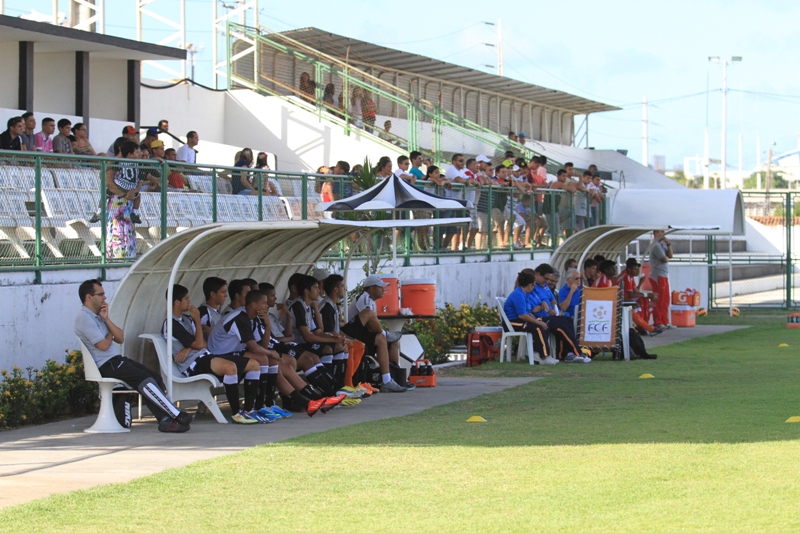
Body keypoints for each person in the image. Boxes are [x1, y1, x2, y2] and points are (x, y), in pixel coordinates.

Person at [74, 279, 192, 432]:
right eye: (101, 294)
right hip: (106, 365)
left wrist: (107, 319)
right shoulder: (84, 318)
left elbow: (121, 337)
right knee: (145, 379)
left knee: (154, 377)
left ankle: (165, 420)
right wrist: (110, 335)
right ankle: (176, 414)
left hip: (115, 361)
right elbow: (103, 345)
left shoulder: (99, 316)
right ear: (88, 297)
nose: (104, 298)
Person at [163, 284, 261, 423]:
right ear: (177, 302)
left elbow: (202, 344)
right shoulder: (171, 323)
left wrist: (189, 348)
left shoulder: (185, 319)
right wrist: (197, 321)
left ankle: (249, 410)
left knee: (254, 364)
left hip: (204, 355)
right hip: (192, 364)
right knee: (230, 367)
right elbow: (198, 344)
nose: (189, 302)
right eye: (186, 299)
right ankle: (236, 413)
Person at [207, 290, 282, 423]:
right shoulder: (240, 317)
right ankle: (251, 408)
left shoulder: (252, 317)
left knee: (263, 359)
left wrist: (268, 326)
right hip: (219, 354)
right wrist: (272, 353)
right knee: (261, 360)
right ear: (253, 305)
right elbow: (253, 347)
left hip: (233, 351)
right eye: (263, 303)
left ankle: (260, 406)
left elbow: (262, 347)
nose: (266, 306)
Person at [342, 275, 407, 392]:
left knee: (394, 342)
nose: (383, 289)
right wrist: (382, 333)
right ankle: (387, 381)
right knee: (380, 336)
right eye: (380, 287)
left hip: (362, 333)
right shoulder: (364, 298)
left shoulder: (371, 300)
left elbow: (371, 327)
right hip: (352, 333)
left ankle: (393, 376)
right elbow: (369, 322)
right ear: (371, 289)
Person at [531, 264, 588, 363]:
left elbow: (553, 301)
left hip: (549, 315)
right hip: (540, 317)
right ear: (538, 275)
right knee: (561, 326)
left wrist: (556, 310)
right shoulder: (532, 288)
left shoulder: (544, 287)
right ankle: (578, 353)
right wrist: (546, 308)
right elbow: (533, 308)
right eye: (546, 278)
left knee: (567, 321)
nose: (547, 281)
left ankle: (565, 354)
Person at [503, 270, 555, 364]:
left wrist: (537, 319)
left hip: (519, 320)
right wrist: (538, 322)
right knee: (538, 327)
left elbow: (528, 312)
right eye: (534, 284)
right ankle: (544, 357)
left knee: (545, 326)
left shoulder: (525, 294)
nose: (534, 287)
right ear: (530, 285)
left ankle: (537, 352)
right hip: (512, 322)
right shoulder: (518, 294)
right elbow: (522, 315)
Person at [104, 141, 144, 259]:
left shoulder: (133, 164)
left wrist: (134, 191)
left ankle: (129, 255)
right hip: (117, 202)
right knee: (118, 227)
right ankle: (116, 256)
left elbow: (140, 179)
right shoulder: (113, 163)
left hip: (130, 203)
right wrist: (124, 194)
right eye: (136, 152)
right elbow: (109, 183)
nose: (139, 155)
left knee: (128, 227)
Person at [621, 258, 662, 335]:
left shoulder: (630, 277)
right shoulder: (626, 277)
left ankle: (644, 326)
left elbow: (636, 292)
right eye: (635, 269)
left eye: (637, 269)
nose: (637, 271)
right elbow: (632, 295)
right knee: (641, 301)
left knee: (646, 300)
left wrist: (648, 295)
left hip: (625, 298)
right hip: (622, 299)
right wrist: (648, 295)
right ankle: (645, 328)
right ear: (629, 269)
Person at [649, 230, 673, 328]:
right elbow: (664, 259)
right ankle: (658, 321)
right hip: (657, 275)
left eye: (663, 231)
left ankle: (665, 320)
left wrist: (669, 244)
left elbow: (670, 256)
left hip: (664, 275)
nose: (662, 233)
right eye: (659, 232)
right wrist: (666, 257)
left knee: (665, 299)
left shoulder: (662, 244)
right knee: (659, 300)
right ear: (655, 234)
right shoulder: (656, 246)